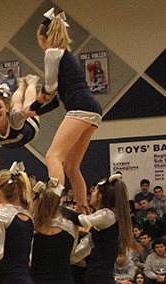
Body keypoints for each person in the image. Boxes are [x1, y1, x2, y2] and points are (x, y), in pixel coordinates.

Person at [24, 10, 102, 206]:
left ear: (42, 38)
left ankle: (55, 206)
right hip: (92, 109)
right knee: (71, 166)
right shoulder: (67, 56)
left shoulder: (52, 52)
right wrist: (36, 110)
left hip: (81, 107)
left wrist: (33, 105)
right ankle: (82, 208)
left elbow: (49, 90)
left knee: (53, 156)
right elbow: (57, 100)